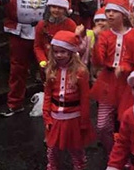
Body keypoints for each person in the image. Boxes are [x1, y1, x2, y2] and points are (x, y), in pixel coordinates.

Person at [43, 31, 94, 170]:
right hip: (55, 116)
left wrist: (84, 122)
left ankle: (79, 166)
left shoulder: (80, 72)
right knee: (52, 149)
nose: (59, 55)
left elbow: (85, 98)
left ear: (71, 53)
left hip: (73, 117)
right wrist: (46, 116)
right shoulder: (51, 70)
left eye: (63, 52)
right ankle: (52, 167)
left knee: (75, 148)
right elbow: (47, 95)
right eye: (56, 52)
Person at [90, 0, 132, 153]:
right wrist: (95, 40)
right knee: (102, 125)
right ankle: (112, 152)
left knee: (125, 122)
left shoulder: (133, 34)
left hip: (128, 83)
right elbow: (98, 61)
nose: (110, 15)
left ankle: (126, 155)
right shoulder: (105, 35)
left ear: (124, 14)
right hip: (107, 81)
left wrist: (126, 67)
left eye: (115, 11)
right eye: (108, 12)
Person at [33, 0, 77, 70]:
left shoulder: (70, 25)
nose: (56, 10)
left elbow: (74, 47)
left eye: (60, 8)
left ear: (65, 10)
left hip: (65, 64)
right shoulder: (42, 25)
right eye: (54, 7)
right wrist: (42, 61)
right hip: (47, 62)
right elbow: (38, 46)